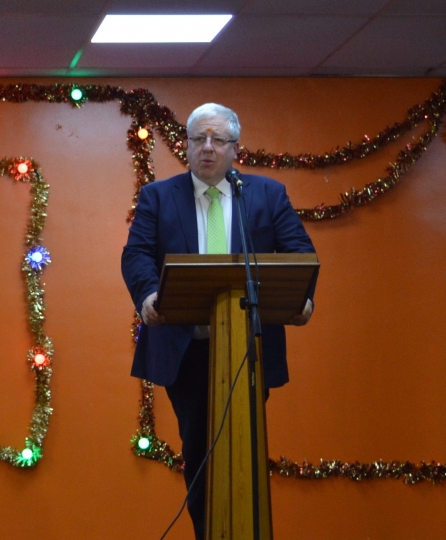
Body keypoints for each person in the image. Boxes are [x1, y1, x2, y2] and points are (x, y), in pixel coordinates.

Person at [121, 103, 316, 539]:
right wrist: (148, 295)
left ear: (234, 148)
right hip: (186, 350)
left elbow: (299, 253)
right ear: (186, 145)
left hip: (249, 349)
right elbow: (136, 255)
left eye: (217, 140)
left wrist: (302, 300)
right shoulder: (158, 196)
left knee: (245, 449)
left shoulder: (265, 195)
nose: (206, 149)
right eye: (197, 140)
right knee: (200, 452)